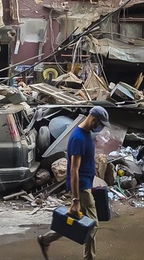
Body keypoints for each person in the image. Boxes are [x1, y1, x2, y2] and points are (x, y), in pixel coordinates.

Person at [37, 105, 111, 260]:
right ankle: (88, 257)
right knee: (92, 224)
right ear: (93, 119)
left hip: (86, 184)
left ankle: (46, 240)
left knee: (80, 222)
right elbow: (74, 170)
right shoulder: (78, 138)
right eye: (100, 123)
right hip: (81, 188)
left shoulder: (86, 134)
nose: (100, 127)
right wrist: (75, 200)